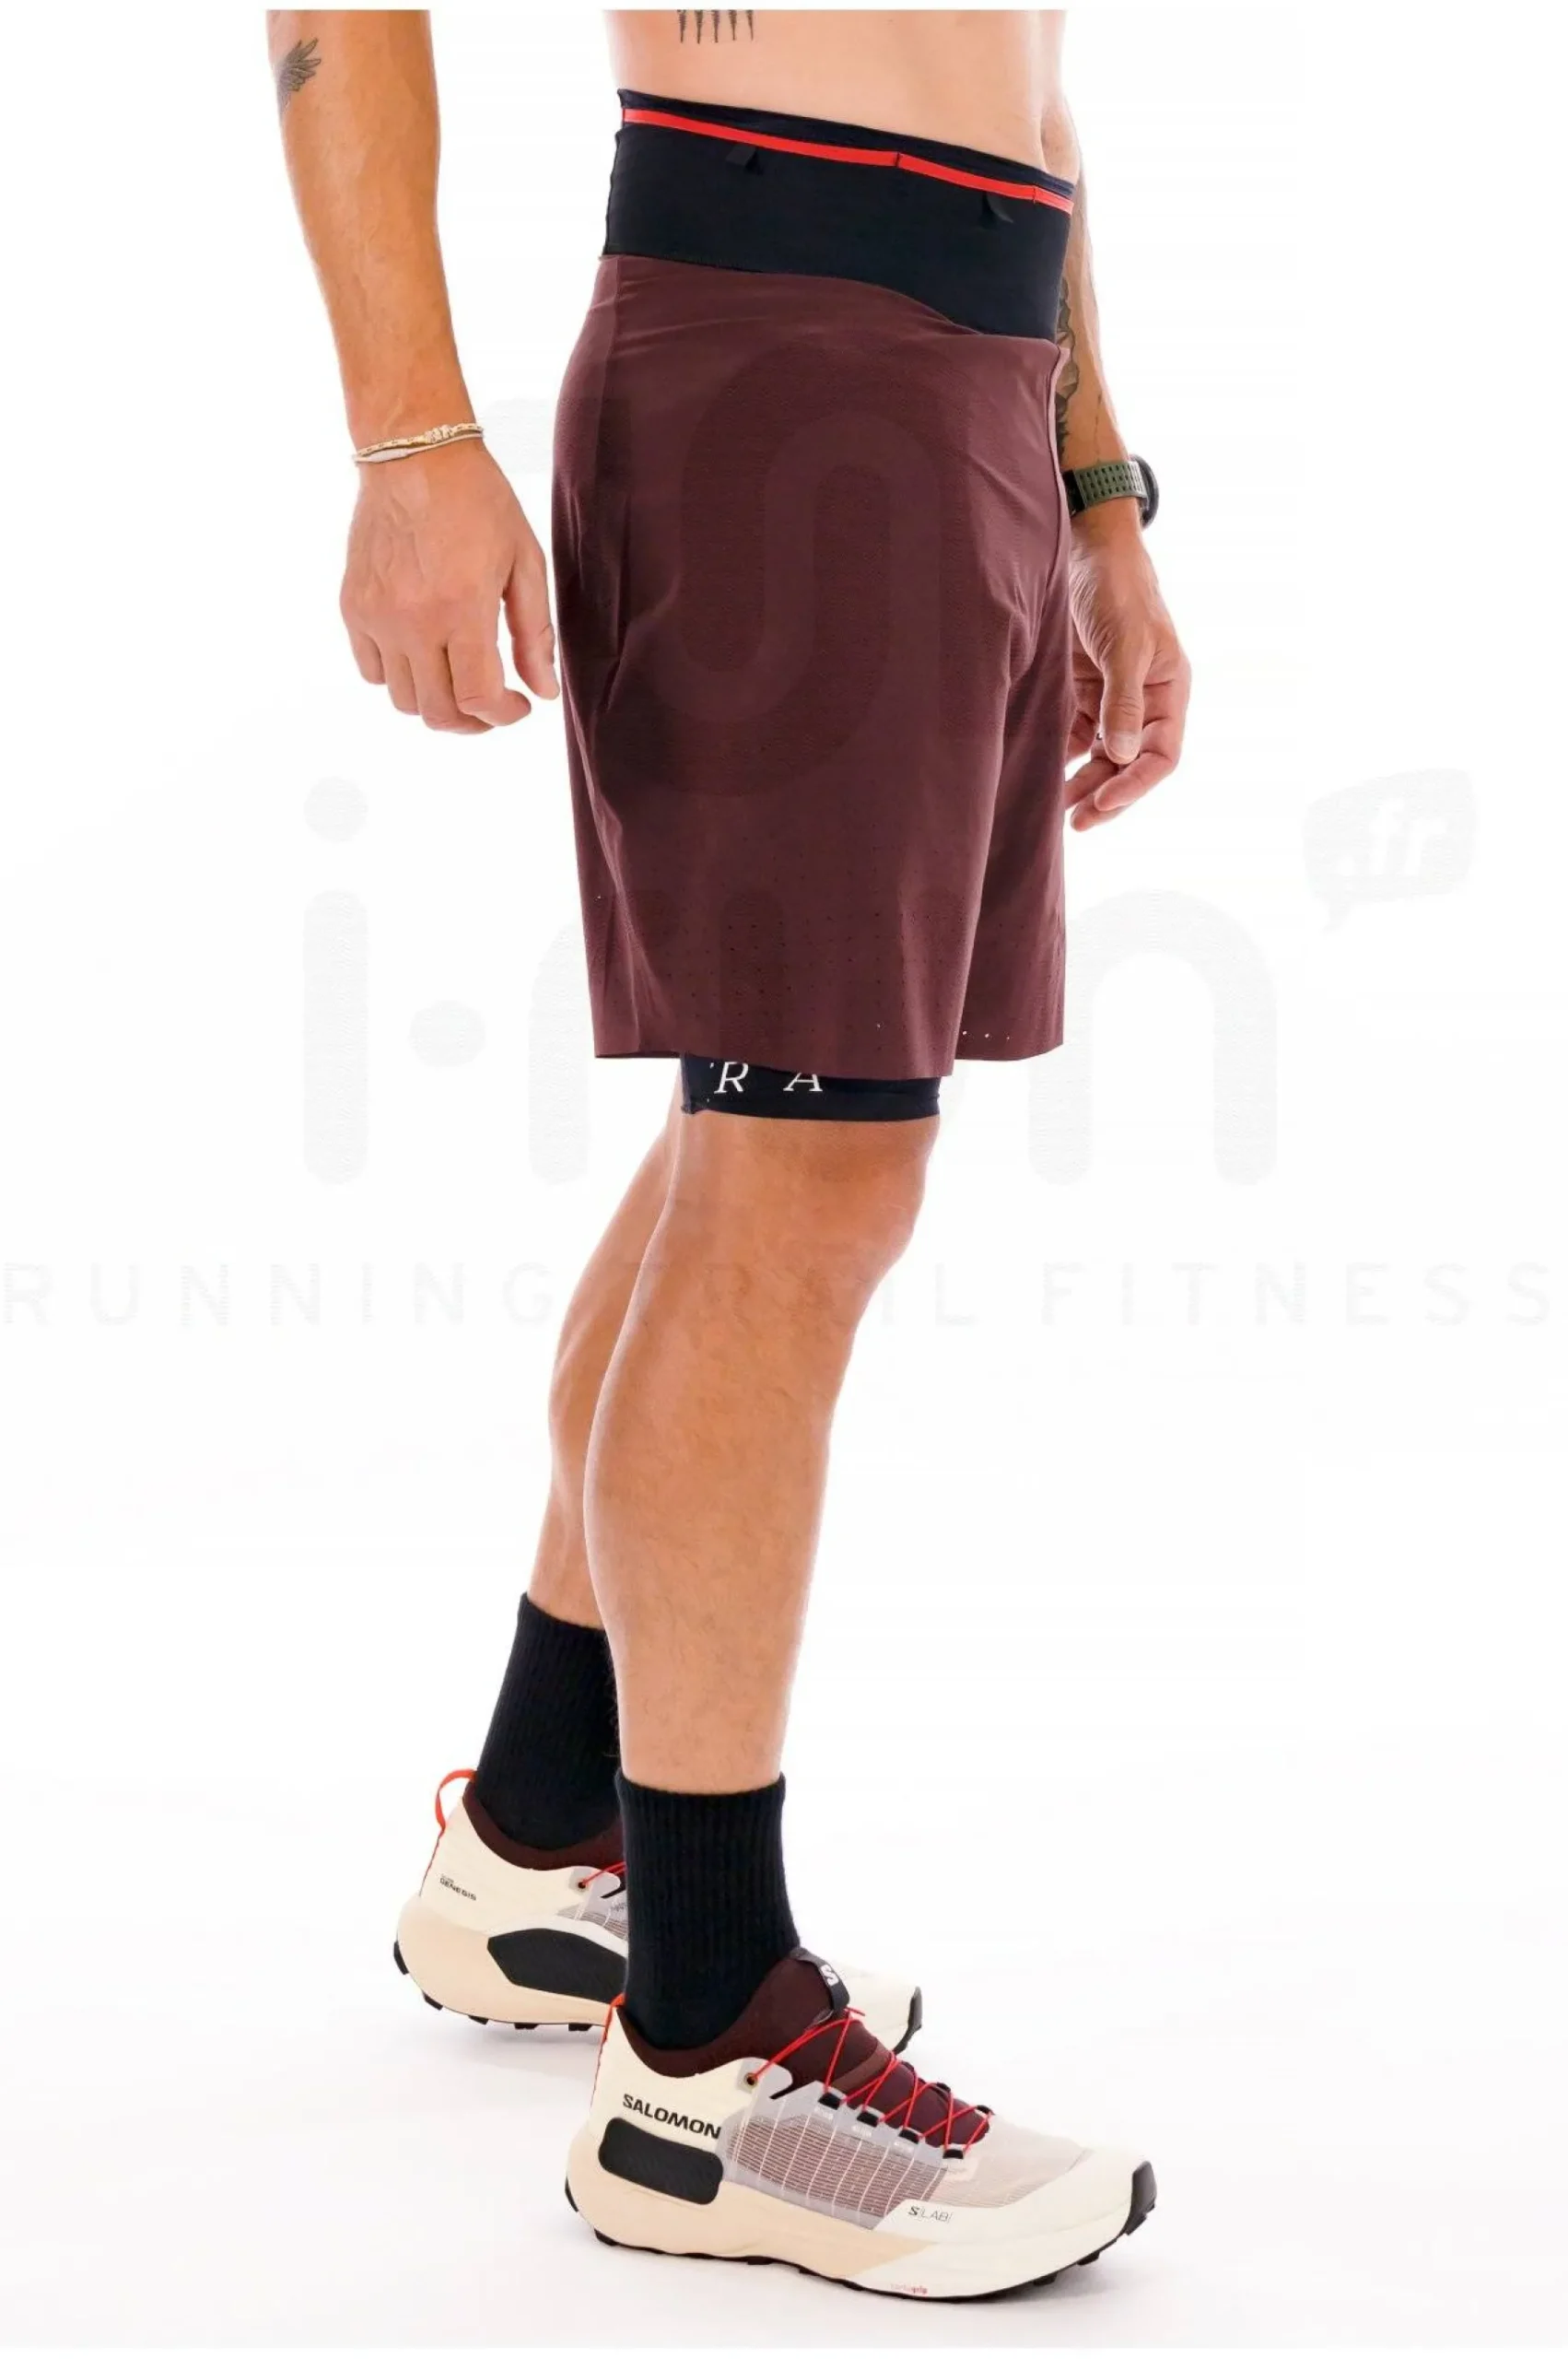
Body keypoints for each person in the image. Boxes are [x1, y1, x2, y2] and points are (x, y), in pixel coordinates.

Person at [270, 6, 1188, 2301]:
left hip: (957, 362)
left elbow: (1020, 67)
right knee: (804, 1176)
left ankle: (540, 1825)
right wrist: (409, 438)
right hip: (784, 357)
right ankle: (703, 2051)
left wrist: (1093, 487)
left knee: (759, 1152)